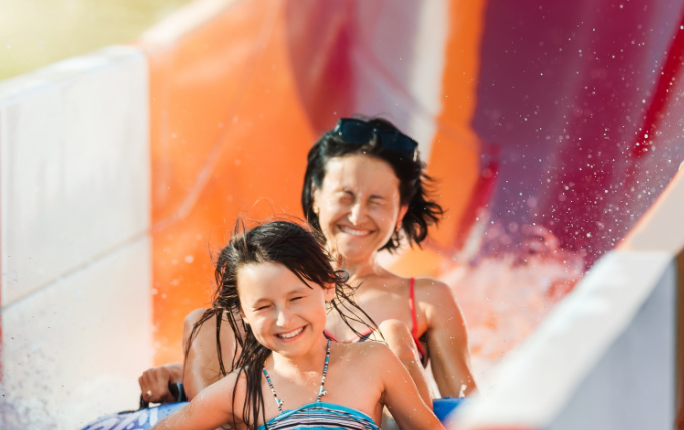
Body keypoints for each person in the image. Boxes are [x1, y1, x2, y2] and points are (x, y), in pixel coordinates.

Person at [122, 221, 445, 430]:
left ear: (328, 286)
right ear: (243, 314)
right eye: (263, 307)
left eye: (297, 298)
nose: (283, 319)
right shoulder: (240, 388)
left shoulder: (372, 360)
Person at [139, 116, 477, 407]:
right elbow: (231, 356)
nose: (358, 215)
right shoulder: (272, 280)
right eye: (345, 196)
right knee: (206, 320)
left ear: (400, 211)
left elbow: (464, 405)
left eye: (377, 201)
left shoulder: (427, 300)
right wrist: (178, 378)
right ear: (316, 197)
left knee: (392, 340)